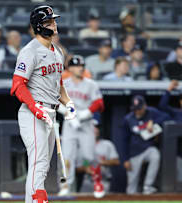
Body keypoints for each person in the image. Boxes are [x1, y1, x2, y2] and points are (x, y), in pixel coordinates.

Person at [10, 5, 76, 203]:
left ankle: (32, 200)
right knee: (38, 162)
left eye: (54, 21)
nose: (54, 25)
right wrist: (35, 108)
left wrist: (68, 102)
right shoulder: (30, 51)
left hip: (51, 112)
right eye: (49, 22)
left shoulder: (57, 51)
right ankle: (38, 200)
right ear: (38, 26)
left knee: (43, 166)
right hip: (33, 112)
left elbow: (59, 83)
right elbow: (17, 86)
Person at [57, 55, 104, 196]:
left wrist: (86, 113)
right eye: (77, 66)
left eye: (82, 65)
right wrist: (68, 114)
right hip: (69, 124)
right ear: (70, 68)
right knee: (66, 156)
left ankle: (97, 182)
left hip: (85, 123)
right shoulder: (63, 84)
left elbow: (99, 103)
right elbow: (54, 101)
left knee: (89, 156)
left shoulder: (91, 84)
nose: (80, 68)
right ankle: (65, 186)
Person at [121, 95, 169, 194]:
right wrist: (125, 159)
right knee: (131, 186)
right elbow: (124, 140)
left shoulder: (152, 112)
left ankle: (148, 186)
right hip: (134, 152)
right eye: (135, 109)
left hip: (147, 148)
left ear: (144, 106)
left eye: (139, 109)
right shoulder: (128, 119)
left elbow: (167, 117)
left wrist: (154, 122)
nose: (137, 111)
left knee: (155, 155)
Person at [76, 126, 119, 194]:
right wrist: (86, 168)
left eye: (96, 128)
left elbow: (116, 161)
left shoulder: (107, 144)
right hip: (88, 181)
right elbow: (77, 168)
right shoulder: (82, 146)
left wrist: (102, 162)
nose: (94, 130)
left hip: (103, 180)